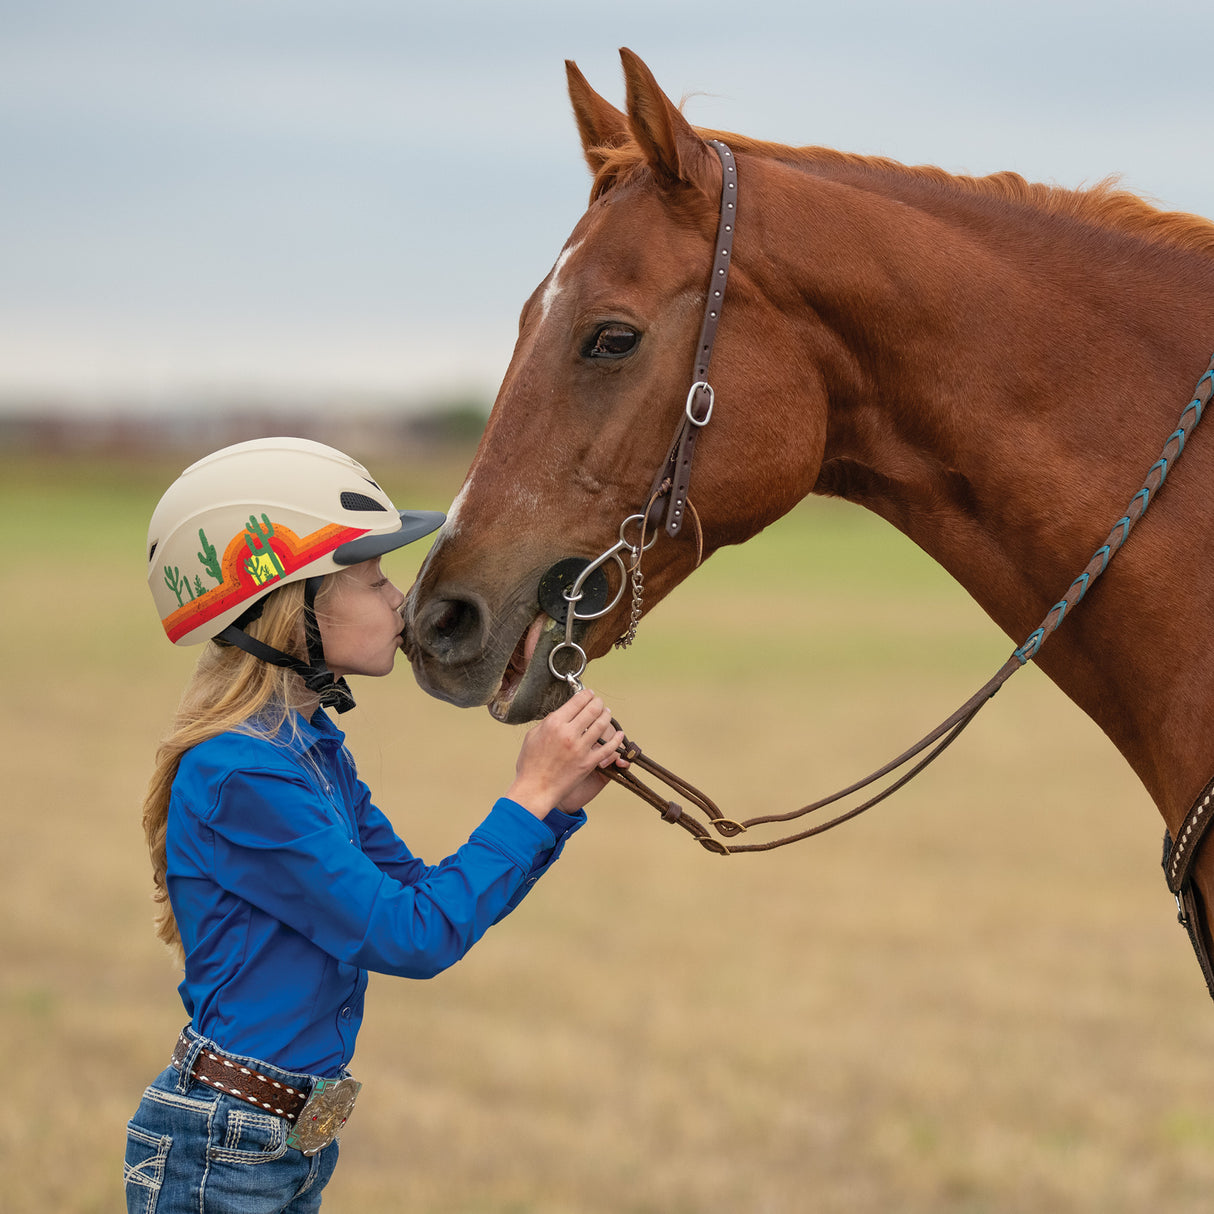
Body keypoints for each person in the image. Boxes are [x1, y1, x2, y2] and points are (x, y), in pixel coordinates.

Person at [124, 437, 623, 1213]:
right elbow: (408, 936)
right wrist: (528, 795)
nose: (401, 600)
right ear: (295, 603)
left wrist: (553, 809)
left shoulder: (308, 749)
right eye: (374, 577)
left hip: (275, 1140)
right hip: (225, 1149)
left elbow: (424, 897)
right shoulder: (242, 773)